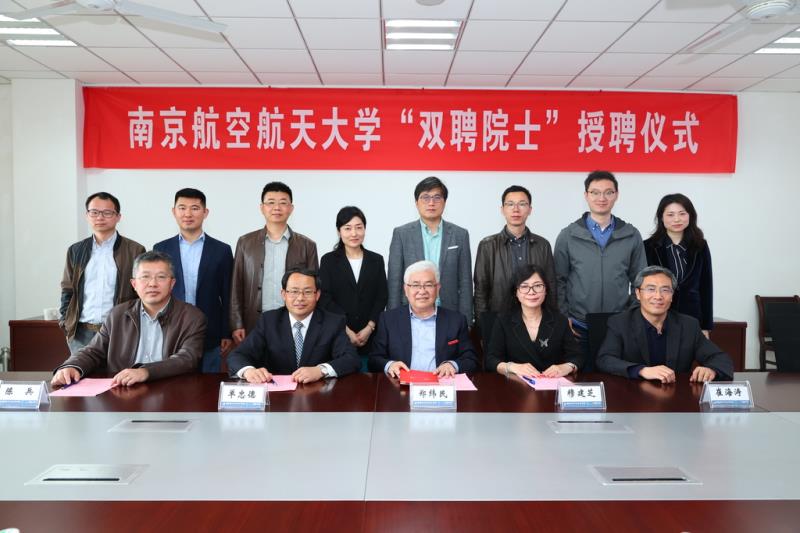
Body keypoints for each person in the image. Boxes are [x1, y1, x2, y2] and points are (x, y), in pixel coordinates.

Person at [51, 251, 207, 387]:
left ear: (172, 283)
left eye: (161, 277)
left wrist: (145, 372)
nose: (152, 284)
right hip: (124, 391)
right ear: (134, 284)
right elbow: (93, 351)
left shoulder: (192, 317)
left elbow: (187, 358)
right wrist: (72, 366)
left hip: (172, 390)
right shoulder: (117, 315)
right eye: (145, 277)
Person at [553, 170, 646, 370]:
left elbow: (641, 281)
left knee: (618, 381)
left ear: (616, 195)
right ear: (586, 195)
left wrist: (631, 313)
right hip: (579, 325)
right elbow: (558, 280)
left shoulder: (631, 235)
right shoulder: (568, 235)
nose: (601, 198)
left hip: (619, 325)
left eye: (608, 192)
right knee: (581, 379)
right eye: (595, 192)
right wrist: (564, 316)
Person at [596, 266, 733, 383]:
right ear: (638, 293)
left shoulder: (688, 325)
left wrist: (711, 370)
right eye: (651, 289)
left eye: (665, 290)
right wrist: (641, 370)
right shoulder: (620, 323)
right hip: (632, 395)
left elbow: (719, 358)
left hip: (676, 396)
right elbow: (605, 359)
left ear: (672, 295)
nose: (658, 296)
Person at [227, 268, 360, 384]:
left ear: (317, 295)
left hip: (318, 394)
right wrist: (249, 371)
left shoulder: (333, 322)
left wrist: (320, 370)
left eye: (307, 292)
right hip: (277, 397)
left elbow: (351, 359)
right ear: (284, 294)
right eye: (294, 291)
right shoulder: (269, 321)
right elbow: (237, 356)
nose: (300, 298)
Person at [154, 188, 234, 373]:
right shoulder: (161, 249)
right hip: (170, 329)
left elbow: (228, 294)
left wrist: (226, 332)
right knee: (173, 383)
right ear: (174, 212)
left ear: (205, 212)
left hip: (209, 331)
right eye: (182, 208)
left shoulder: (222, 250)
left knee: (208, 384)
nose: (188, 214)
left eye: (195, 208)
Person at [230, 182, 318, 343]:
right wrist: (237, 323)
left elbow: (313, 290)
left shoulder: (307, 245)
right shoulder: (245, 243)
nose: (277, 207)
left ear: (291, 208)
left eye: (283, 203)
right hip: (254, 321)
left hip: (293, 321)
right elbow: (236, 285)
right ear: (262, 208)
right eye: (271, 202)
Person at [60, 192, 145, 354]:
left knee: (118, 371)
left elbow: (140, 293)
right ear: (87, 215)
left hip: (119, 331)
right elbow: (67, 289)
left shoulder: (135, 250)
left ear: (118, 217)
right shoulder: (76, 250)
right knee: (80, 371)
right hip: (81, 334)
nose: (100, 217)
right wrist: (65, 321)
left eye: (107, 213)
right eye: (94, 212)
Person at [369, 260, 479, 378]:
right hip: (401, 385)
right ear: (406, 289)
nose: (422, 291)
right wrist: (390, 365)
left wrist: (453, 365)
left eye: (428, 285)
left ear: (438, 288)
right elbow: (374, 359)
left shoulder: (456, 320)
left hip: (441, 384)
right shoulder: (388, 320)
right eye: (415, 285)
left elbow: (471, 359)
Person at [387, 176, 473, 323]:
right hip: (410, 312)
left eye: (437, 197)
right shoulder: (401, 234)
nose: (431, 203)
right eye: (425, 197)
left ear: (444, 202)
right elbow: (394, 281)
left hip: (449, 312)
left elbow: (465, 282)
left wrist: (467, 321)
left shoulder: (460, 235)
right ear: (416, 203)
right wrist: (393, 319)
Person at [474, 185, 555, 329]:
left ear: (530, 209)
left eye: (522, 204)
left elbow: (551, 286)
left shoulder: (543, 245)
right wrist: (483, 327)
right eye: (510, 204)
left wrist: (551, 323)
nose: (516, 209)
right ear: (502, 209)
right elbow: (481, 290)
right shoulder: (487, 245)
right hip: (498, 320)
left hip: (535, 321)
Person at [318, 206, 388, 371]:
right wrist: (346, 329)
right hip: (338, 335)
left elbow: (382, 296)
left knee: (370, 381)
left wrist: (369, 328)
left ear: (365, 229)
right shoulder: (328, 260)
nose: (354, 233)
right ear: (339, 231)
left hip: (370, 336)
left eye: (359, 227)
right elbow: (325, 298)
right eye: (347, 228)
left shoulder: (376, 260)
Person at [485, 264, 583, 378]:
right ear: (516, 292)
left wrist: (567, 367)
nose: (531, 292)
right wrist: (512, 367)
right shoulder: (503, 321)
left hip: (550, 383)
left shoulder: (560, 320)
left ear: (546, 290)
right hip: (516, 385)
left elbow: (577, 356)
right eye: (524, 286)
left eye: (538, 286)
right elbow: (491, 360)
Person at [644, 193, 713, 336]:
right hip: (657, 318)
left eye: (682, 213)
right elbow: (641, 287)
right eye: (670, 214)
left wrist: (705, 326)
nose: (677, 219)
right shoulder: (648, 247)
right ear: (661, 217)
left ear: (690, 216)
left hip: (692, 318)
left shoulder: (700, 246)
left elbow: (706, 287)